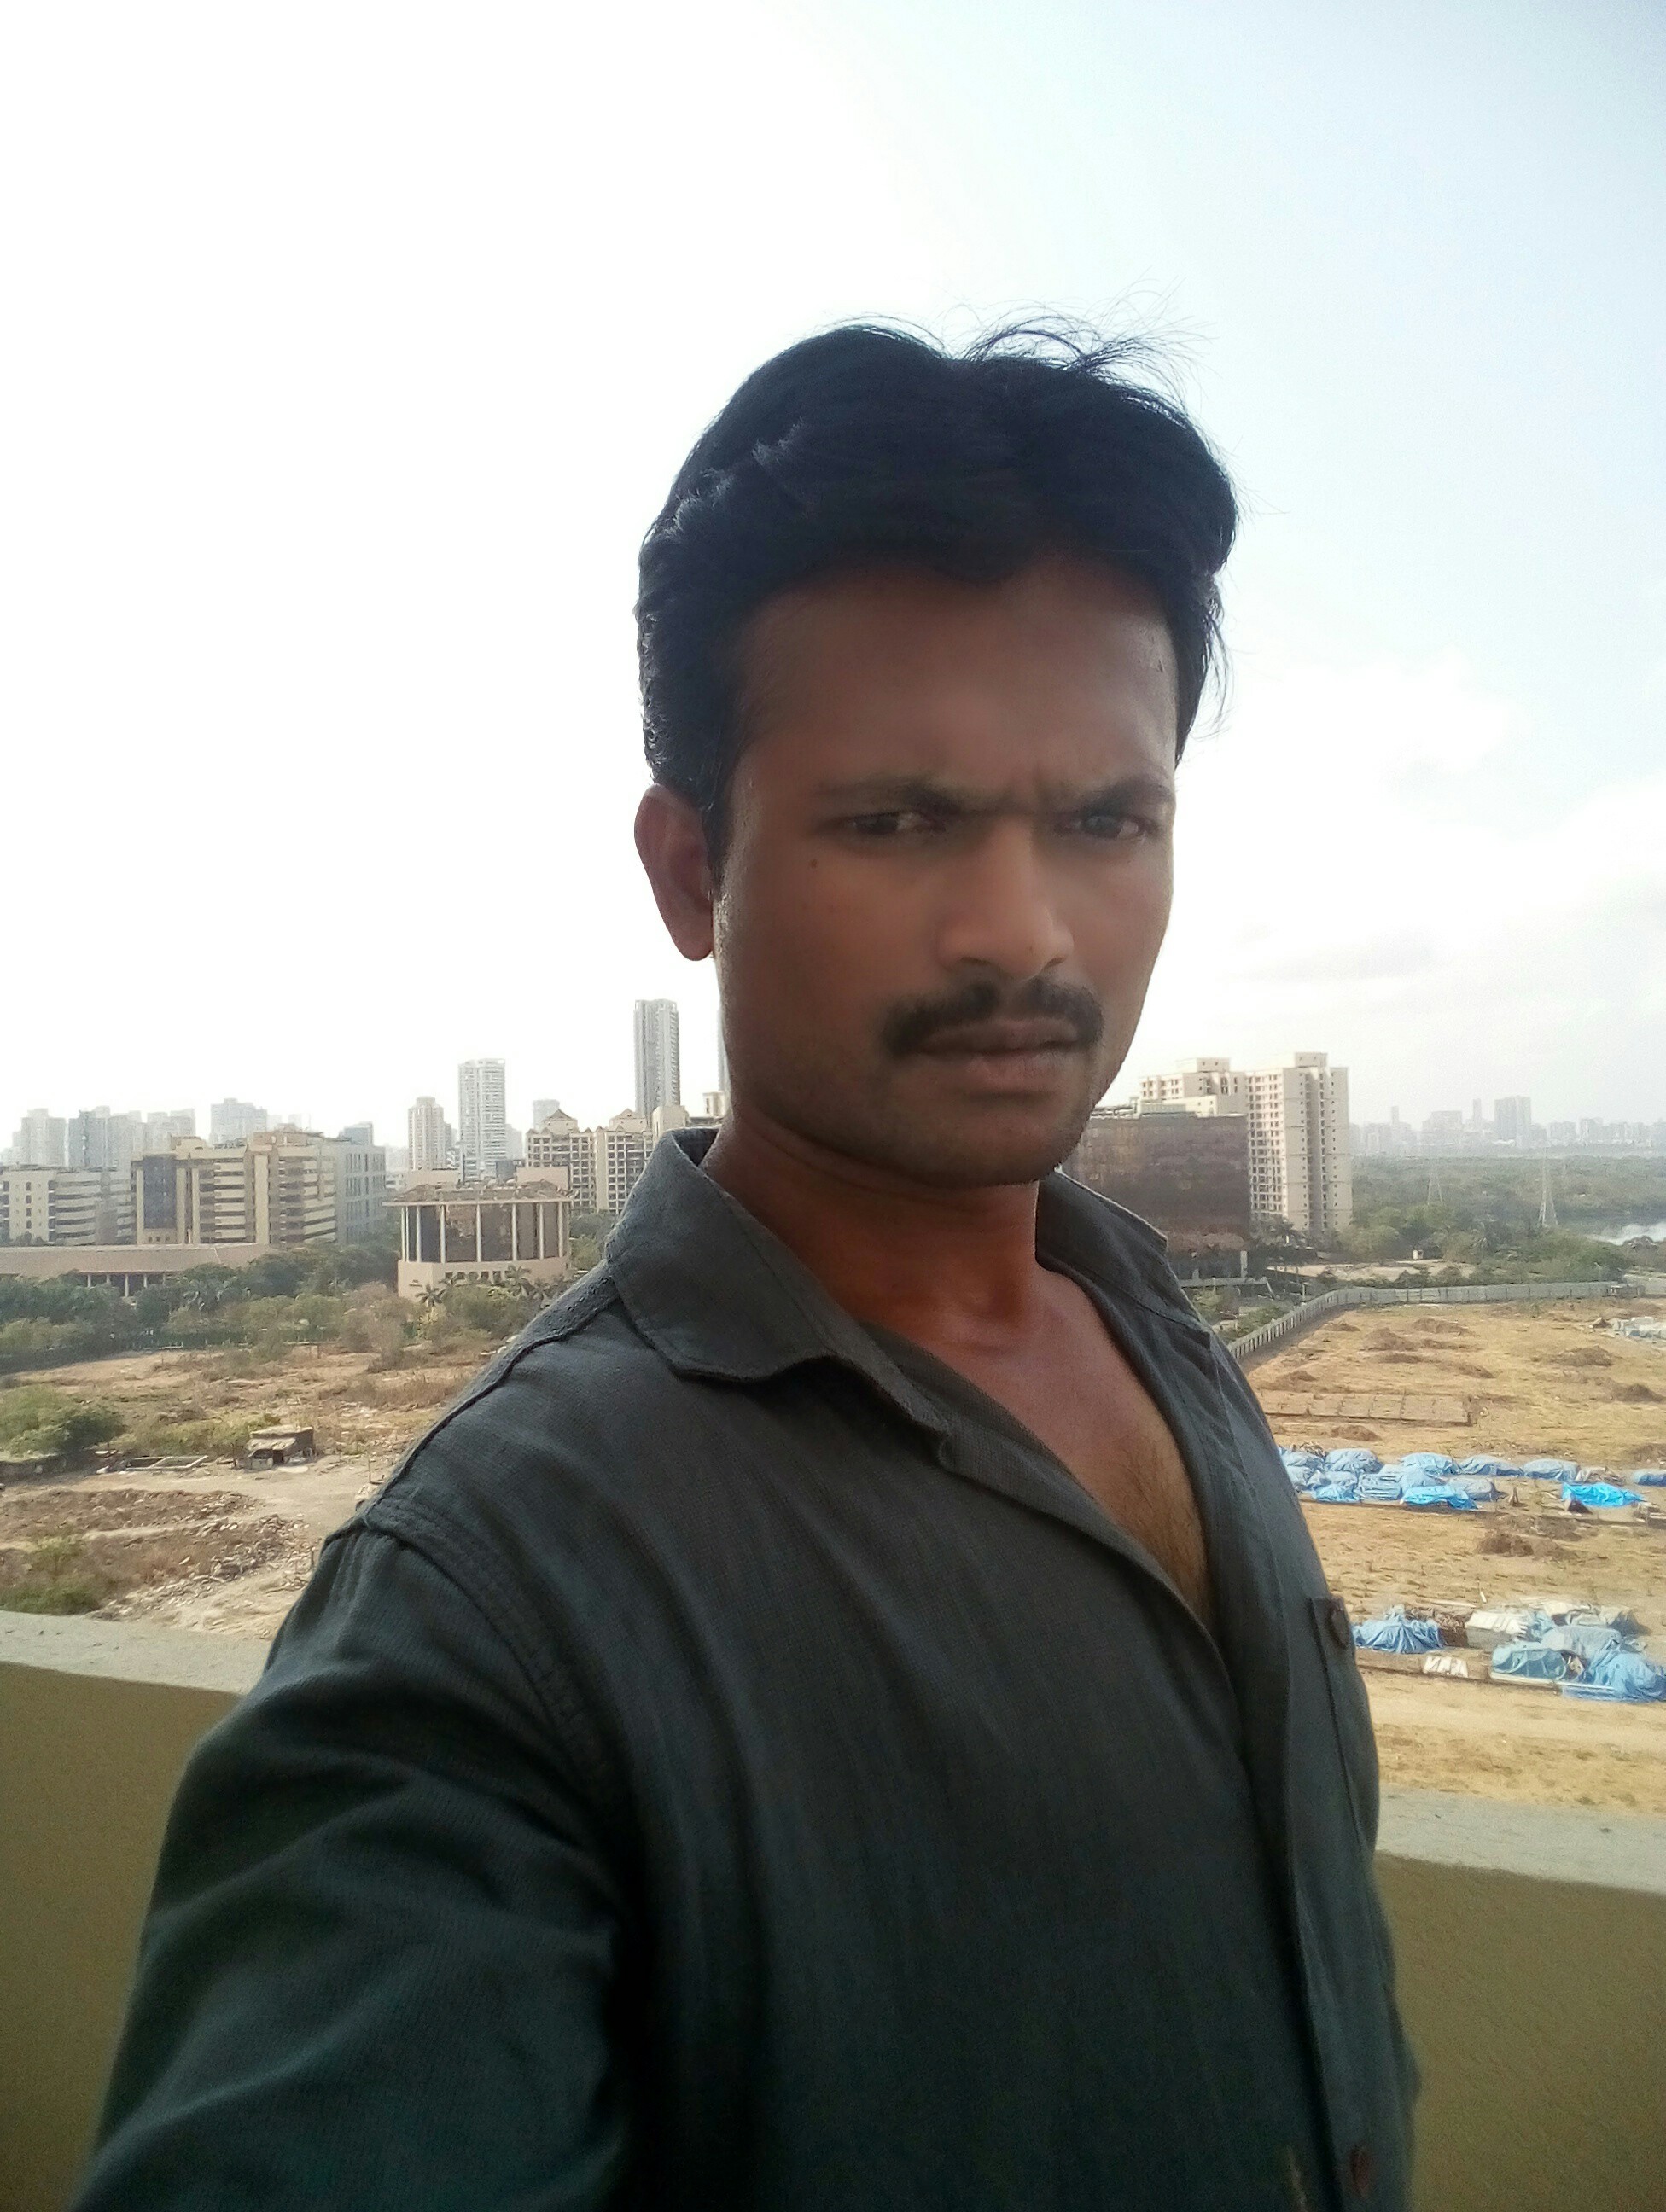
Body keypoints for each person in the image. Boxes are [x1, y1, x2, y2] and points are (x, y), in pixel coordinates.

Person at [77, 325, 1416, 2210]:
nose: (1023, 933)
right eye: (898, 822)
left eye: (1105, 822)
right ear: (690, 870)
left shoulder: (1159, 1330)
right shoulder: (498, 1598)